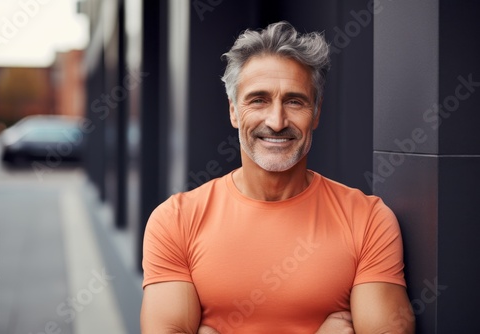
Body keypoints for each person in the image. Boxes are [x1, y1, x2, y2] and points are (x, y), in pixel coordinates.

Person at [140, 21, 415, 334]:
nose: (276, 120)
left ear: (316, 112)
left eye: (294, 101)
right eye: (258, 100)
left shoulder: (368, 220)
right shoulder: (175, 221)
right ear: (233, 111)